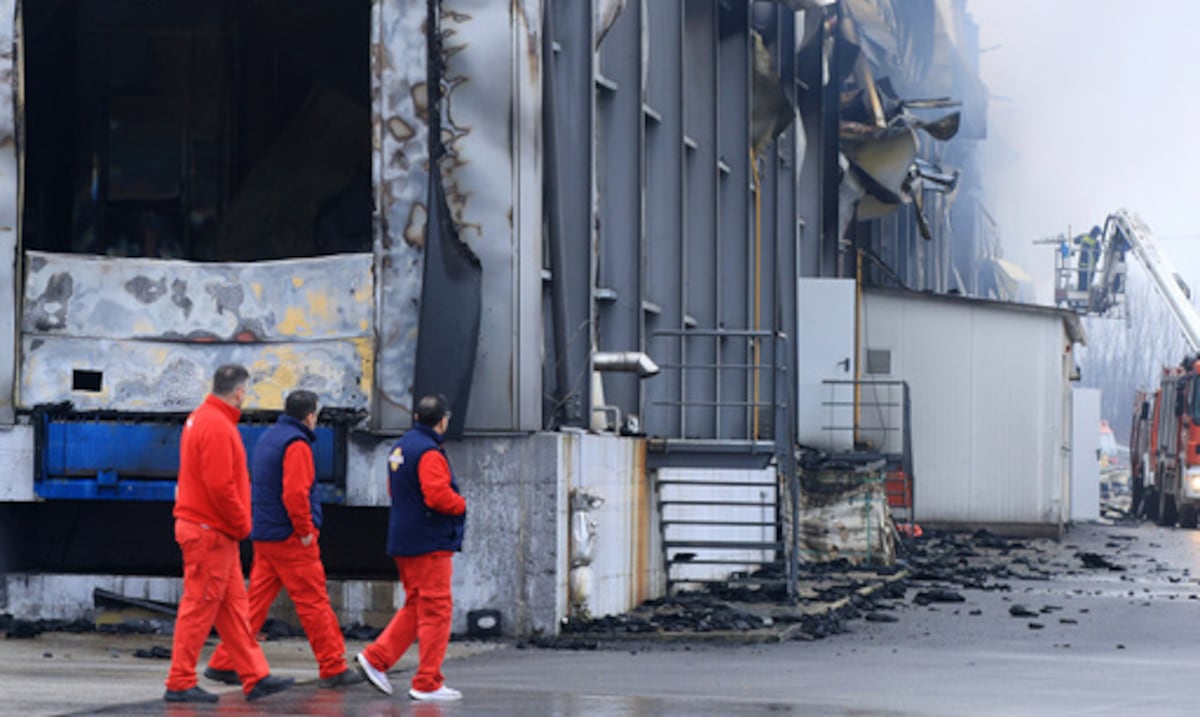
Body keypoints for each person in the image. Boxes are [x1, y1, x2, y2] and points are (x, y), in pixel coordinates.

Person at [203, 390, 365, 689]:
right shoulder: (297, 444)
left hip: (266, 534)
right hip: (291, 537)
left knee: (254, 603)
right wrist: (305, 531)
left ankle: (225, 662)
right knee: (314, 601)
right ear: (309, 416)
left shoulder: (269, 438)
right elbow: (295, 493)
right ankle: (333, 667)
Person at [164, 365, 295, 703]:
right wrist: (242, 525)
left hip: (208, 531)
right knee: (199, 607)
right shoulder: (218, 426)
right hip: (213, 532)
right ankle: (180, 681)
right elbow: (221, 487)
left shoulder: (201, 419)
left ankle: (255, 675)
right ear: (238, 392)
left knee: (234, 608)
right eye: (246, 392)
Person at [356, 394, 467, 702]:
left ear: (417, 417)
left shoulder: (401, 447)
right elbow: (437, 496)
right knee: (437, 610)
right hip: (429, 541)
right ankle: (428, 681)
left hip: (405, 538)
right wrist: (460, 504)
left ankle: (376, 658)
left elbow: (398, 490)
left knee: (417, 605)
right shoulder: (430, 452)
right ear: (442, 420)